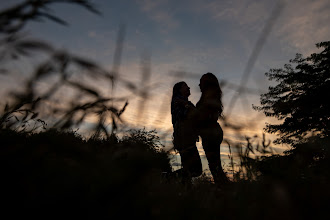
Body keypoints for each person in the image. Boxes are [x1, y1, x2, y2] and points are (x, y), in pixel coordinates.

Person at [196, 73, 229, 185]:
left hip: (211, 133)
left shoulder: (209, 97)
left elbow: (205, 116)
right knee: (215, 165)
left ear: (206, 83)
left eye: (201, 82)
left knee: (215, 165)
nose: (199, 84)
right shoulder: (210, 96)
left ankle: (224, 188)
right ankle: (223, 187)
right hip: (212, 133)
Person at [171, 81, 202, 182]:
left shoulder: (185, 102)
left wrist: (187, 105)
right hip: (184, 139)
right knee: (195, 170)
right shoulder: (177, 100)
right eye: (185, 86)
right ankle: (168, 177)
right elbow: (184, 116)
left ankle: (185, 191)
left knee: (189, 170)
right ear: (179, 90)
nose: (189, 87)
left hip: (188, 138)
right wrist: (188, 107)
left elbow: (196, 115)